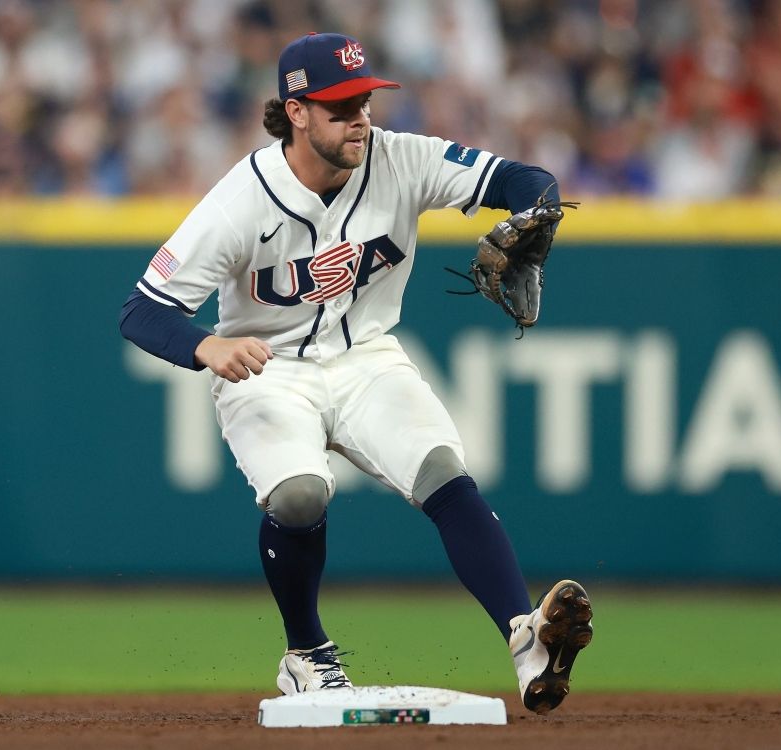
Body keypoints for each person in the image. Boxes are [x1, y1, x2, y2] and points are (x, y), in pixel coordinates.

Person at [119, 31, 593, 714]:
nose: (360, 120)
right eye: (340, 108)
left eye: (364, 103)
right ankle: (305, 653)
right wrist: (204, 347)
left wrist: (536, 211)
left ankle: (526, 640)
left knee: (444, 473)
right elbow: (142, 311)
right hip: (268, 368)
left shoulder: (401, 158)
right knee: (299, 496)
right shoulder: (240, 200)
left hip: (368, 358)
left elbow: (525, 180)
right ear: (297, 111)